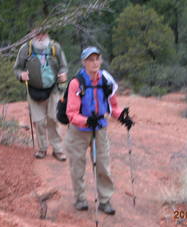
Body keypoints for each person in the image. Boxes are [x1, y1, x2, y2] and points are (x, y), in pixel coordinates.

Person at [64, 46, 134, 215]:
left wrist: (122, 117)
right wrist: (87, 120)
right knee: (77, 166)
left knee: (103, 165)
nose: (94, 63)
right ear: (84, 62)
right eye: (90, 59)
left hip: (100, 128)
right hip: (78, 131)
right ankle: (80, 198)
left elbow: (113, 106)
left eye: (97, 59)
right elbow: (71, 113)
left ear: (100, 60)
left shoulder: (106, 81)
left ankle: (104, 200)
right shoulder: (76, 83)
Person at [14, 30, 68, 161]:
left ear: (47, 33)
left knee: (53, 119)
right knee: (39, 122)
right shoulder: (25, 49)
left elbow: (63, 66)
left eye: (43, 33)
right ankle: (42, 149)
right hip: (34, 90)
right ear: (32, 34)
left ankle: (58, 150)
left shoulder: (55, 47)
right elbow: (17, 68)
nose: (40, 37)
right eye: (37, 33)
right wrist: (21, 75)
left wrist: (63, 75)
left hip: (53, 89)